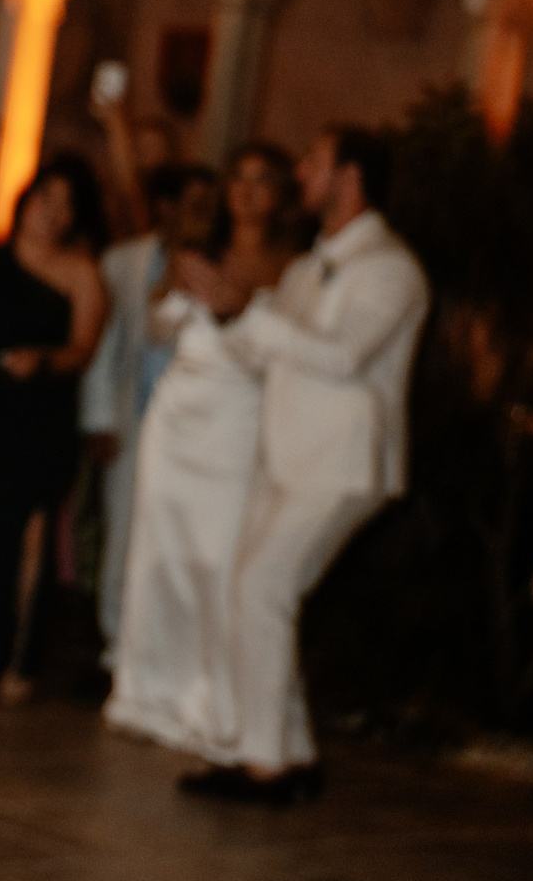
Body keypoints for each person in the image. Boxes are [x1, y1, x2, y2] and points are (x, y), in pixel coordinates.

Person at [178, 125, 428, 806]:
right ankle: (287, 749)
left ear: (350, 177)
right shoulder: (302, 266)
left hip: (343, 464)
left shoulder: (393, 268)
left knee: (263, 587)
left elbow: (342, 355)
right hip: (286, 454)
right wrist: (225, 311)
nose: (301, 175)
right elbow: (264, 351)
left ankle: (268, 765)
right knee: (253, 589)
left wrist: (245, 311)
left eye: (314, 161)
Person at [106, 143, 298, 754]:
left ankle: (207, 701)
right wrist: (174, 286)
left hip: (239, 421)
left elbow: (288, 352)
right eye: (237, 178)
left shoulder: (291, 266)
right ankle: (146, 693)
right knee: (159, 556)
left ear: (280, 194)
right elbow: (158, 326)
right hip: (179, 415)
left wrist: (235, 306)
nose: (246, 192)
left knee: (218, 560)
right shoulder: (197, 249)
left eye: (262, 181)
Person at [0, 154, 108, 702]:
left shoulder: (82, 273)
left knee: (32, 535)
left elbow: (83, 347)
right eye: (44, 199)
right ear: (25, 201)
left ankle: (20, 658)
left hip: (40, 415)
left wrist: (44, 360)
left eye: (65, 205)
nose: (51, 213)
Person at [84, 163, 221, 658]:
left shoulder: (221, 270)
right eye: (192, 204)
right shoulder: (125, 262)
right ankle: (115, 639)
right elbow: (107, 343)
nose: (199, 215)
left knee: (173, 539)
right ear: (168, 208)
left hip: (193, 432)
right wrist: (98, 418)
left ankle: (159, 647)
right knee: (123, 531)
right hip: (134, 417)